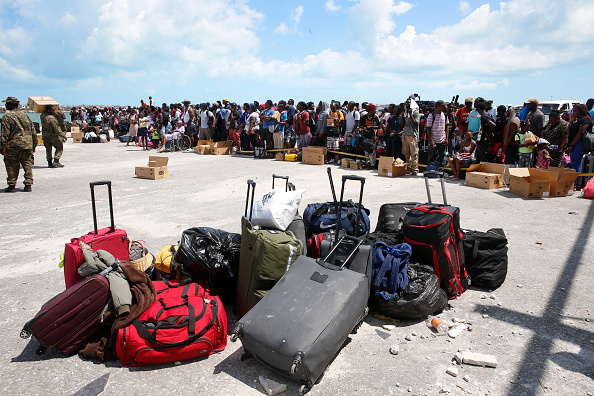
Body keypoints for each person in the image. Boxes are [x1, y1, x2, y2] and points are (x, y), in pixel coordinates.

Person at [1, 96, 36, 192]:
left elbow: (5, 134)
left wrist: (2, 147)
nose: (5, 105)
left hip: (13, 146)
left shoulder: (6, 117)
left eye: (7, 103)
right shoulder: (25, 116)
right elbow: (33, 132)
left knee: (12, 165)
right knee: (27, 164)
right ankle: (28, 184)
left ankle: (12, 185)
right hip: (27, 145)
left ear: (11, 105)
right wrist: (34, 145)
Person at [566, 104, 593, 177]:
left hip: (578, 144)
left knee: (576, 165)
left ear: (580, 111)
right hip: (575, 144)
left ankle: (574, 184)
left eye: (575, 111)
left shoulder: (585, 120)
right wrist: (571, 121)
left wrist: (572, 145)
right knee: (575, 164)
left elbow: (581, 133)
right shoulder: (579, 120)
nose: (573, 113)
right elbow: (570, 131)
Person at [425, 100, 448, 167]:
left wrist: (446, 138)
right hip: (434, 140)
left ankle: (441, 170)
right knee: (431, 156)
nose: (444, 107)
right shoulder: (431, 115)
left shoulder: (445, 115)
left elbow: (447, 127)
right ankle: (430, 170)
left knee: (442, 156)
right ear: (438, 107)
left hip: (442, 139)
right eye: (442, 106)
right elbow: (428, 128)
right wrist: (431, 140)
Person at [402, 95, 420, 175]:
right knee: (406, 152)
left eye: (408, 103)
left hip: (413, 135)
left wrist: (411, 114)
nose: (407, 104)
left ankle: (414, 168)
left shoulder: (415, 113)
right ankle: (408, 167)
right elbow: (402, 125)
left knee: (414, 153)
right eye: (406, 103)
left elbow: (415, 124)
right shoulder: (405, 113)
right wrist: (403, 116)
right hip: (405, 134)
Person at [359, 103, 381, 169]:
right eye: (374, 109)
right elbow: (360, 125)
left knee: (372, 151)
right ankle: (367, 163)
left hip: (372, 136)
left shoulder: (375, 118)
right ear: (371, 110)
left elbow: (379, 126)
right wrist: (363, 129)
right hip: (365, 136)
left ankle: (372, 164)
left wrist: (371, 127)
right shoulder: (364, 117)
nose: (375, 111)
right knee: (366, 151)